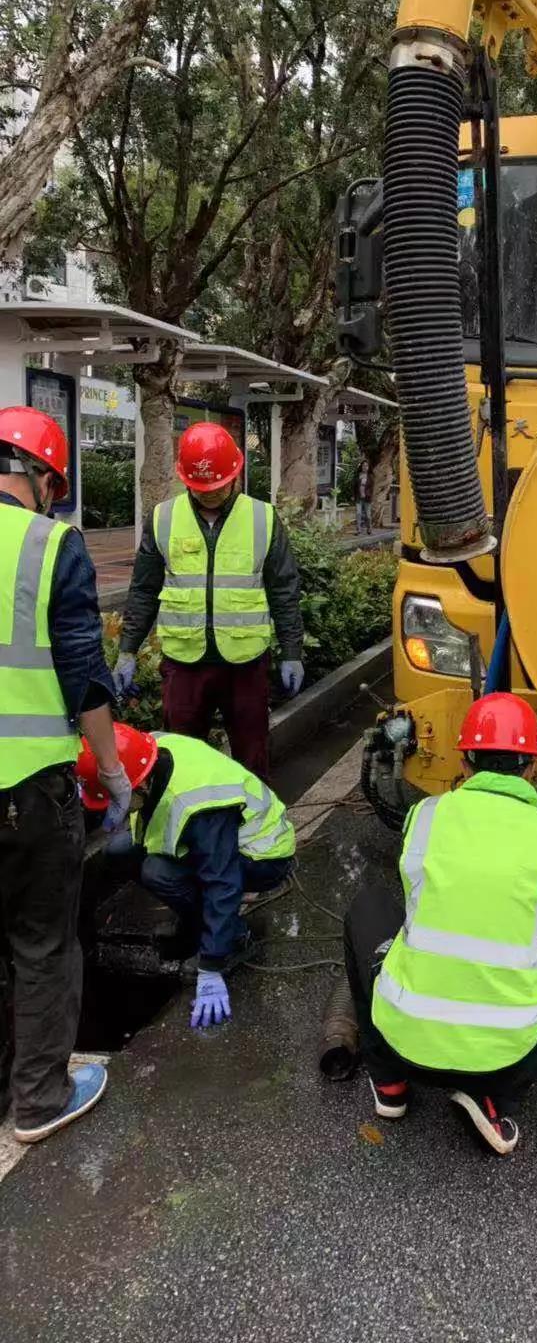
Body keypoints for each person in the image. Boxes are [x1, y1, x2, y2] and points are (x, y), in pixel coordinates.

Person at [343, 693, 537, 1156]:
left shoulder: (424, 817)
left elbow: (413, 889)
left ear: (464, 763)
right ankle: (492, 1096)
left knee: (369, 908)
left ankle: (390, 1083)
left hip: (405, 1038)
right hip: (501, 1054)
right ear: (533, 768)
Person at [0, 406, 129, 1144]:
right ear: (45, 478)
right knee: (42, 944)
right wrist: (112, 774)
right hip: (27, 788)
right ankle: (40, 1098)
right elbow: (83, 678)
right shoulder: (51, 545)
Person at [113, 422, 303, 783]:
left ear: (235, 473)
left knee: (252, 758)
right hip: (185, 665)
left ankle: (252, 829)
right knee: (182, 760)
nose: (210, 494)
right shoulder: (163, 518)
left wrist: (291, 651)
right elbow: (143, 590)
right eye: (201, 488)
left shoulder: (263, 518)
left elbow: (284, 590)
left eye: (216, 486)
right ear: (186, 480)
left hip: (246, 665)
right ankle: (188, 830)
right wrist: (127, 650)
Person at [77, 723, 296, 1028]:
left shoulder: (199, 805)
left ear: (137, 786)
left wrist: (211, 966)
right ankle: (197, 923)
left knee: (158, 872)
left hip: (262, 857)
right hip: (216, 838)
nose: (113, 808)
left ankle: (233, 938)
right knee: (119, 851)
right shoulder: (146, 751)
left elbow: (222, 882)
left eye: (115, 799)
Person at [355, 459, 373, 535]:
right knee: (358, 513)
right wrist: (353, 495)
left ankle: (369, 529)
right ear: (361, 467)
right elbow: (354, 486)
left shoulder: (370, 476)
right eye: (363, 465)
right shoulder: (357, 475)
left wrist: (370, 495)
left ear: (368, 467)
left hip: (367, 498)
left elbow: (372, 488)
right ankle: (358, 530)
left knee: (368, 515)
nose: (365, 467)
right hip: (359, 498)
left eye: (366, 466)